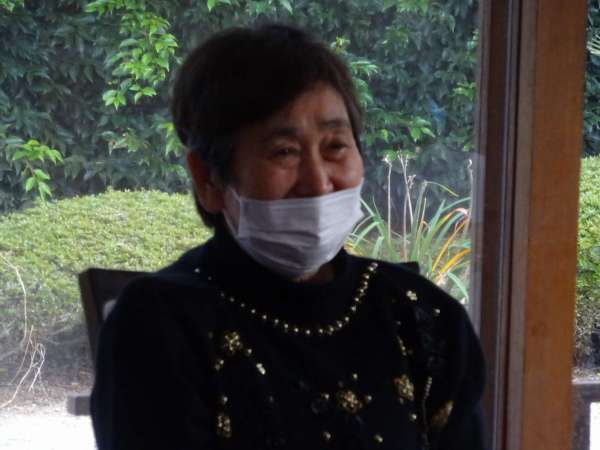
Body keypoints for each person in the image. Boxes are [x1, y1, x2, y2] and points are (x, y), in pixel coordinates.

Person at [90, 24, 486, 450]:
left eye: (335, 146)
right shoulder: (160, 324)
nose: (318, 182)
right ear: (208, 178)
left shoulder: (423, 317)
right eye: (284, 152)